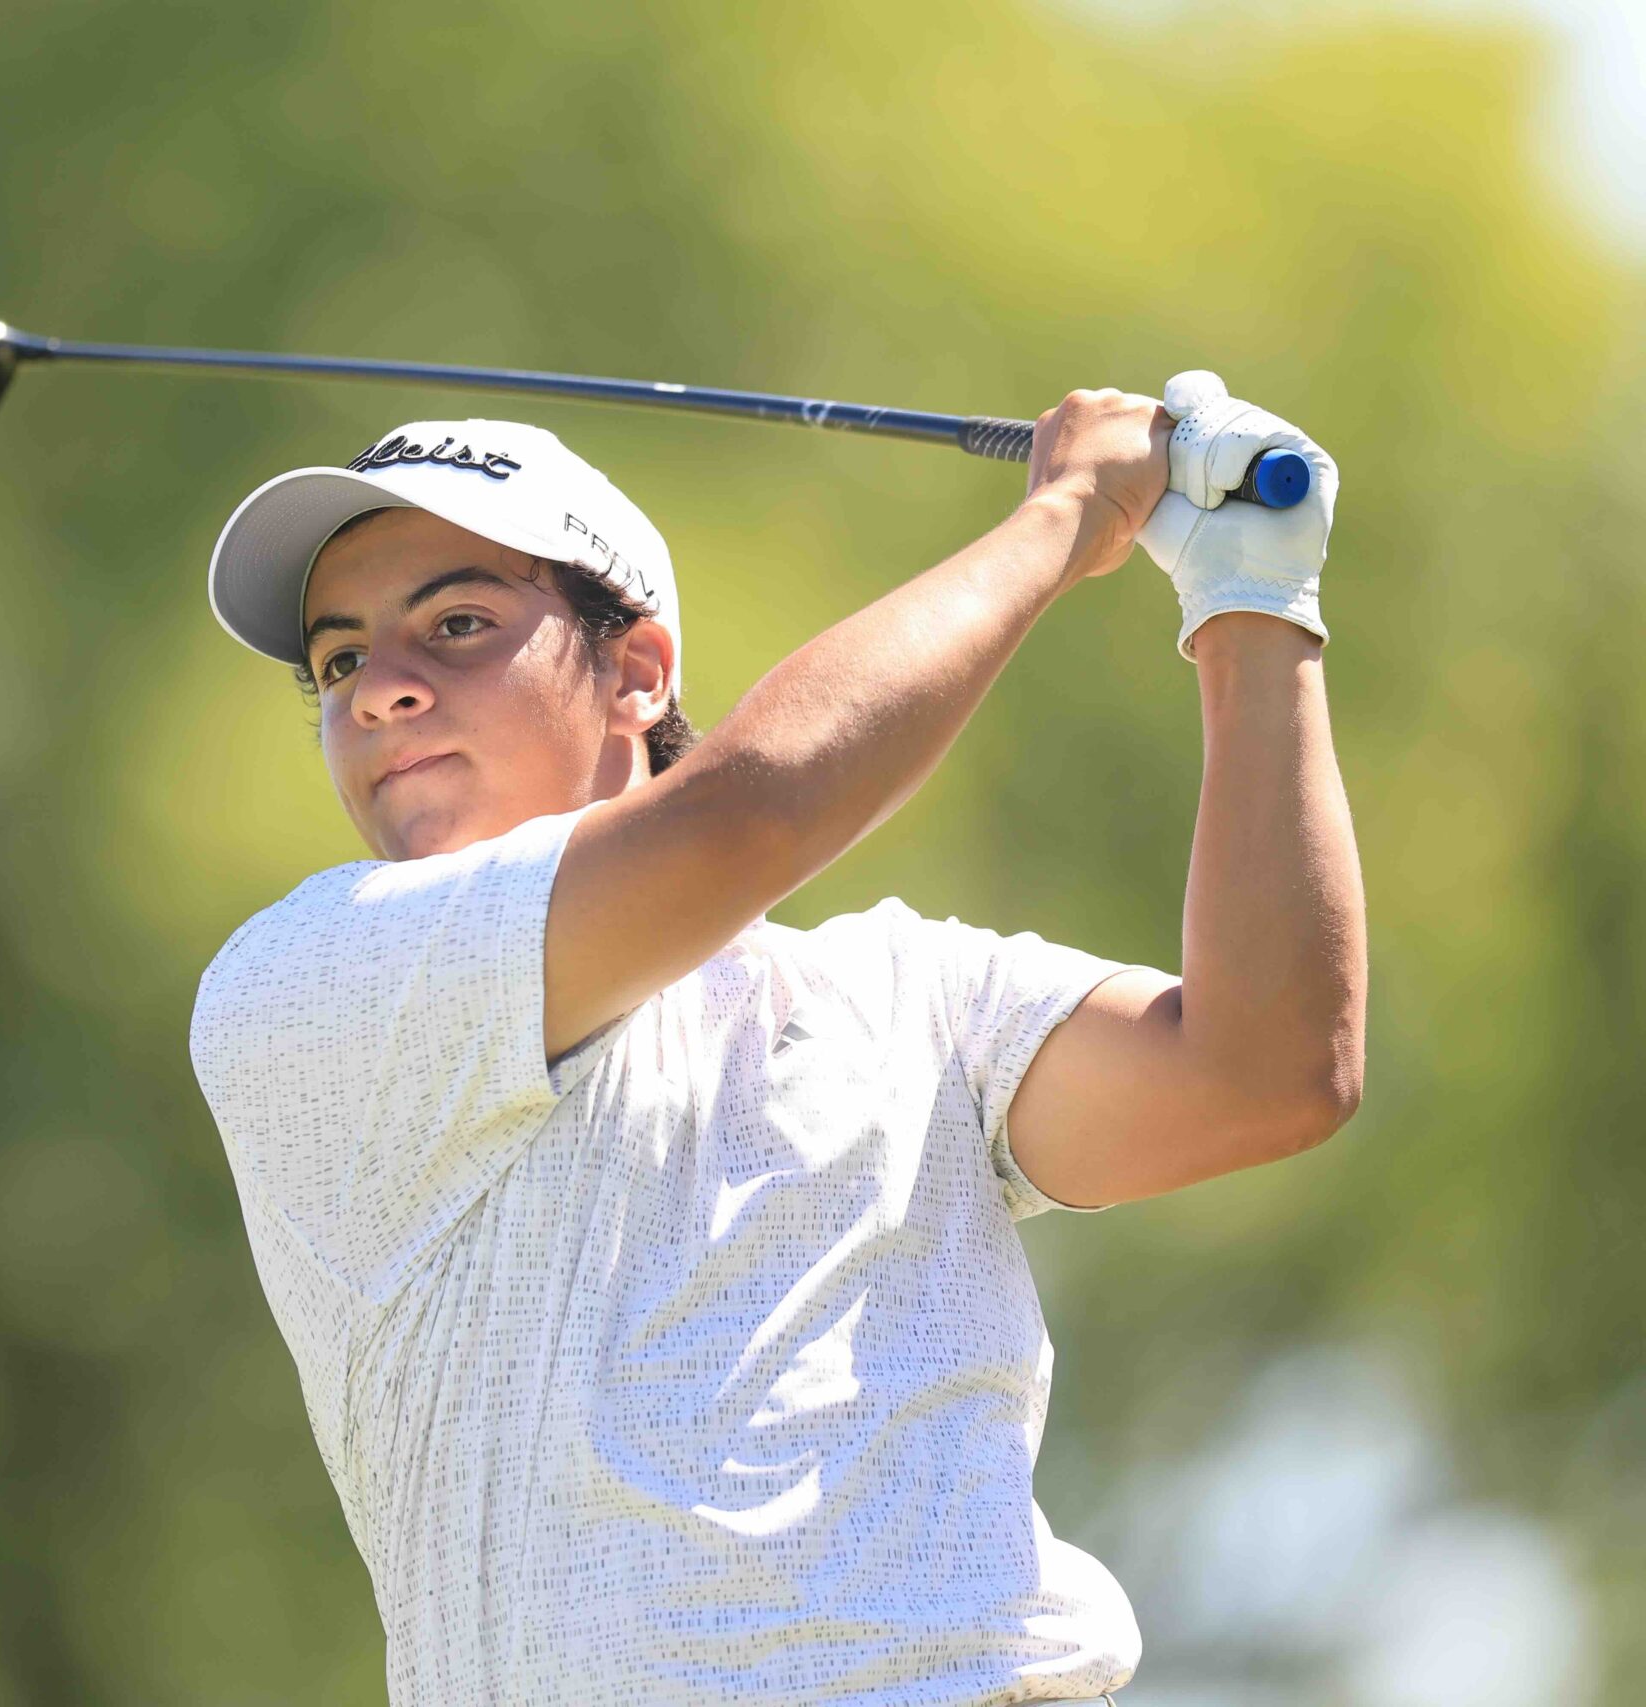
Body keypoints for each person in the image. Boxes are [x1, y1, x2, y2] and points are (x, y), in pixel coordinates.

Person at [186, 375, 1365, 1706]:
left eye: (456, 625)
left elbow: (1266, 1074)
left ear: (635, 671)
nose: (379, 693)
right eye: (339, 661)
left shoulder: (911, 992)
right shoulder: (314, 981)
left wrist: (1255, 611)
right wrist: (1070, 513)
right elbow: (752, 814)